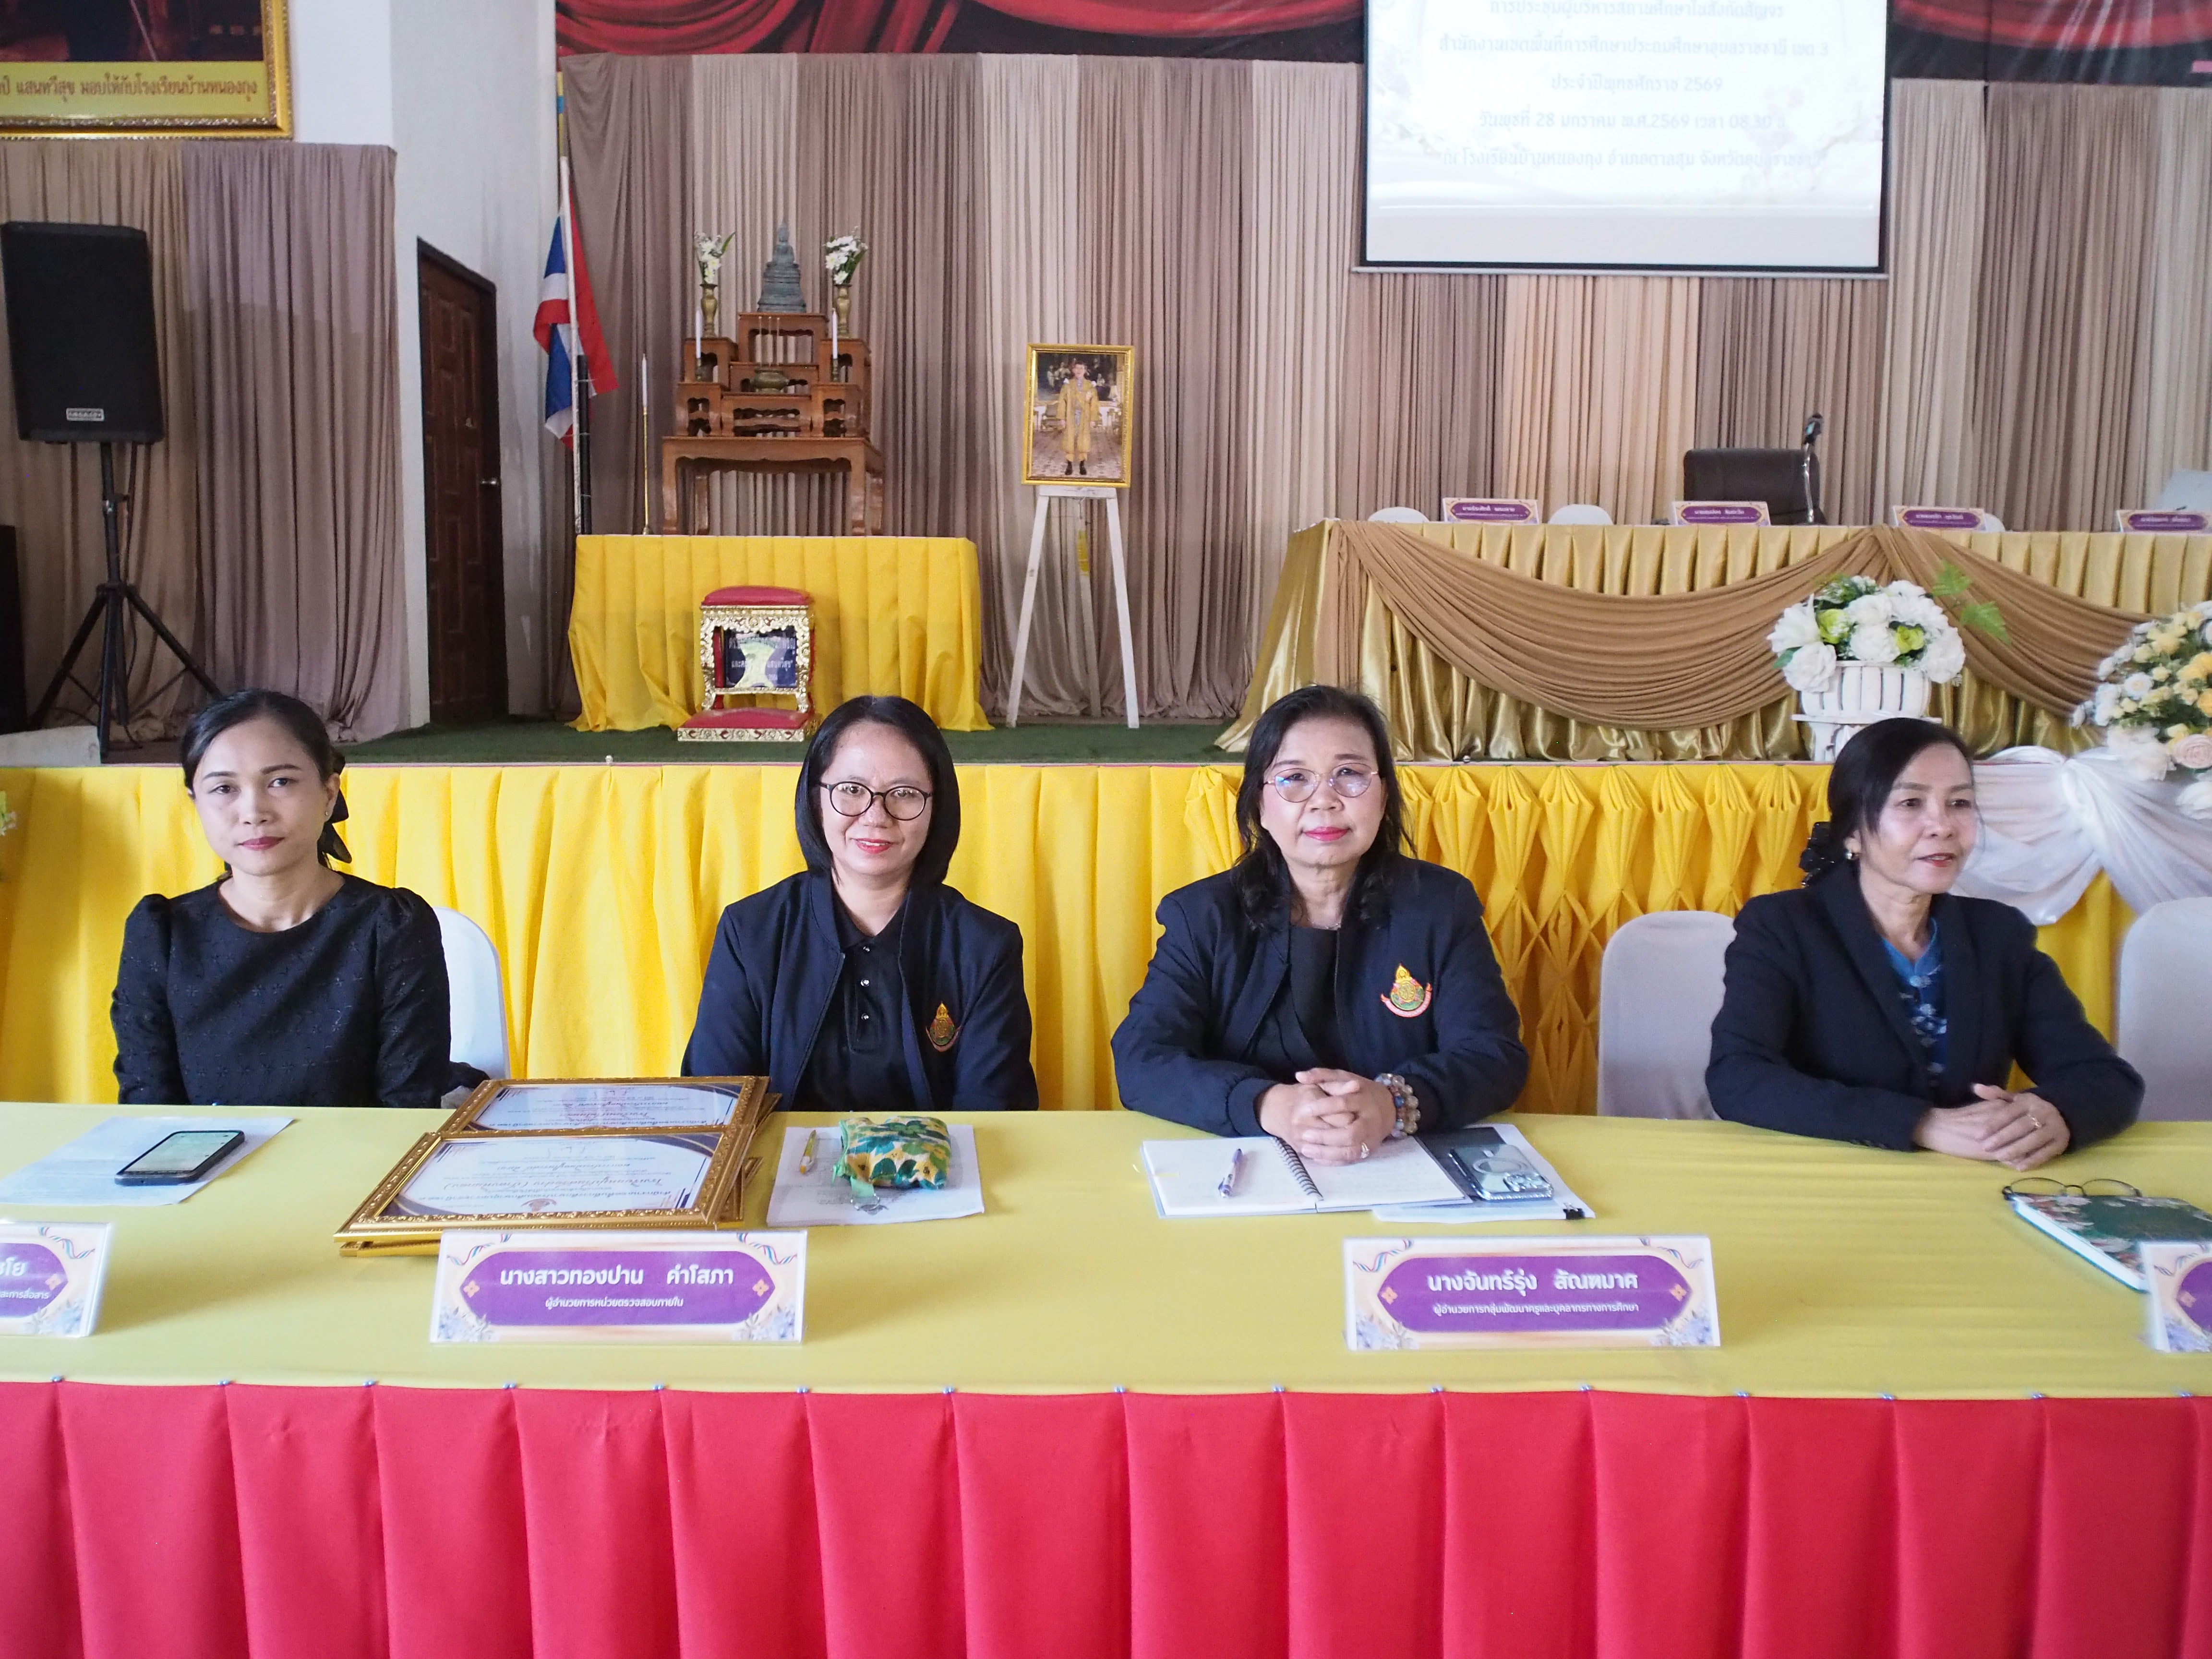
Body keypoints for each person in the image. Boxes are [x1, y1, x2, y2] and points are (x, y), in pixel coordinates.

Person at [1112, 685, 1527, 1160]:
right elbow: (1143, 1059)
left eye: (1349, 774)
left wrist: (1395, 1102)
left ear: (1384, 796)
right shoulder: (1202, 916)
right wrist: (1266, 1105)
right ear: (1260, 804)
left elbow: (1494, 1055)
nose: (1324, 800)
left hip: (1401, 1165)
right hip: (1247, 1164)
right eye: (1294, 778)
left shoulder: (1440, 906)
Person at [1707, 716, 2140, 1166]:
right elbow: (1738, 1076)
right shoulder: (1783, 926)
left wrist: (2056, 1113)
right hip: (1830, 1175)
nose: (1943, 826)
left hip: (1966, 1181)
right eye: (1911, 803)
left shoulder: (1998, 935)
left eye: (1960, 803)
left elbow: (2105, 1077)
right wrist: (1922, 1123)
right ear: (1853, 831)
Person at [111, 689, 463, 1108]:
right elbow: (150, 1111)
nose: (253, 812)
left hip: (364, 1154)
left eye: (280, 782)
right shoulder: (162, 935)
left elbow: (407, 1109)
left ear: (329, 794)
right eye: (224, 788)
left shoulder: (392, 927)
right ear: (195, 802)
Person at [683, 695, 1037, 1111]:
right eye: (852, 790)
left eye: (904, 793)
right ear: (815, 798)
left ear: (937, 807)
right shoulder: (750, 933)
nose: (875, 815)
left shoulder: (985, 947)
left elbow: (994, 1118)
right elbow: (716, 1107)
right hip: (778, 1157)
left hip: (942, 1157)